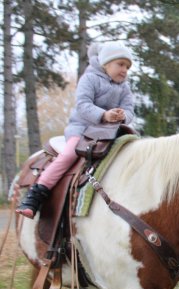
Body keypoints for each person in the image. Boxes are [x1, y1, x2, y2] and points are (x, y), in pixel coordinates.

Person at [16, 41, 135, 219]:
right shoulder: (90, 79)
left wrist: (123, 116)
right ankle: (35, 196)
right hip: (83, 129)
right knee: (69, 155)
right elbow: (82, 105)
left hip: (110, 132)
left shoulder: (125, 87)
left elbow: (130, 110)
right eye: (120, 64)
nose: (124, 70)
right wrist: (104, 115)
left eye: (127, 66)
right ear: (105, 63)